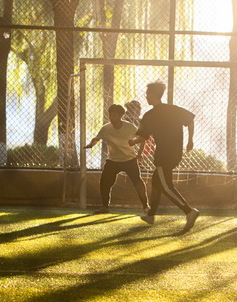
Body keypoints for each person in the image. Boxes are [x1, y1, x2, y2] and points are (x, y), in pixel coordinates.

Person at [129, 81, 200, 233]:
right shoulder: (173, 110)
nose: (146, 97)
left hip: (164, 154)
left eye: (147, 94)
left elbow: (142, 136)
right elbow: (190, 120)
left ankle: (189, 211)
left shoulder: (149, 115)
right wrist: (190, 140)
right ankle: (150, 215)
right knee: (156, 181)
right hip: (175, 153)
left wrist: (132, 142)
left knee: (166, 186)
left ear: (152, 95)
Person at [85, 104, 149, 214]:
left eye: (114, 115)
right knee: (104, 182)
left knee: (137, 181)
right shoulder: (106, 128)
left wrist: (139, 154)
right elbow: (96, 138)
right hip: (113, 161)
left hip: (129, 159)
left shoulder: (130, 127)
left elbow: (142, 139)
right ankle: (105, 207)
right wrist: (91, 144)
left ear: (120, 116)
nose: (112, 118)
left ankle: (146, 206)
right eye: (110, 115)